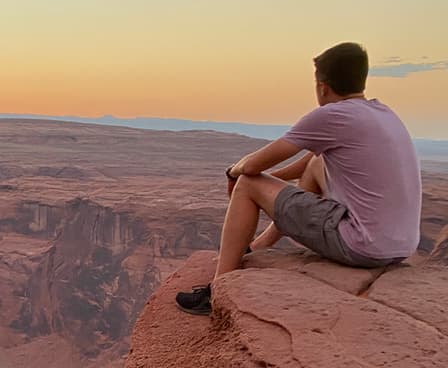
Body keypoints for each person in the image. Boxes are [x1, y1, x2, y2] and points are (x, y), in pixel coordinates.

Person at [176, 42, 423, 315]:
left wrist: (235, 173)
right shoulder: (383, 113)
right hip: (401, 246)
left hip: (362, 246)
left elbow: (253, 167)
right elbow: (310, 162)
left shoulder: (331, 115)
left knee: (246, 185)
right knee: (310, 163)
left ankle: (217, 292)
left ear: (322, 86)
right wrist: (270, 185)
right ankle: (258, 246)